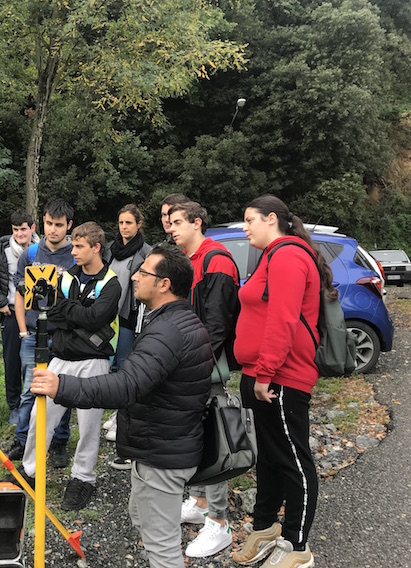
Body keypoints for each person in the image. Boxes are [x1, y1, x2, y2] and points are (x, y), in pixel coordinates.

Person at [31, 245, 212, 568]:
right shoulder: (177, 321)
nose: (135, 277)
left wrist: (62, 386)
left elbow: (127, 386)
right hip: (161, 445)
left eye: (144, 273)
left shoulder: (167, 332)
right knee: (142, 519)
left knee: (162, 547)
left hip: (162, 453)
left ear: (164, 284)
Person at [230, 195, 325, 568]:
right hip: (259, 374)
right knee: (269, 457)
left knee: (294, 461)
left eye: (249, 220)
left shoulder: (288, 256)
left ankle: (297, 546)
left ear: (272, 219)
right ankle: (265, 528)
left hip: (281, 377)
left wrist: (265, 372)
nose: (245, 228)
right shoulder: (270, 257)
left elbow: (283, 319)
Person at [15, 222, 120, 510]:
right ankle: (30, 470)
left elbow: (96, 318)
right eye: (73, 246)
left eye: (79, 247)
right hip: (60, 358)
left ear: (96, 248)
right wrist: (79, 314)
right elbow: (48, 311)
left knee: (88, 426)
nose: (73, 251)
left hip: (94, 362)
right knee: (40, 416)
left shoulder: (111, 282)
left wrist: (67, 311)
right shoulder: (67, 276)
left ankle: (83, 478)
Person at [168, 200, 240, 558]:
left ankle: (219, 522)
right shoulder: (190, 260)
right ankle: (199, 502)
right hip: (192, 362)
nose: (171, 229)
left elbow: (217, 323)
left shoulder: (217, 260)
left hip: (204, 367)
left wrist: (197, 363)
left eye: (178, 222)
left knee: (213, 438)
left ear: (197, 223)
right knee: (197, 436)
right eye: (170, 222)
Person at [4, 198, 76, 467]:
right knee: (28, 390)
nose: (53, 229)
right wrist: (23, 331)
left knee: (62, 390)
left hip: (63, 335)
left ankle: (58, 442)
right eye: (48, 223)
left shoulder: (75, 255)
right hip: (34, 334)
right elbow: (19, 293)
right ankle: (22, 440)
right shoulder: (31, 254)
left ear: (69, 225)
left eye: (59, 225)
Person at [100, 204, 151, 466]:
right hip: (108, 315)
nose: (124, 227)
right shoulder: (110, 249)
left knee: (125, 367)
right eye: (121, 223)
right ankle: (117, 413)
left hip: (129, 316)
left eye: (129, 223)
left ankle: (124, 418)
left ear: (138, 224)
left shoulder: (146, 252)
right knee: (109, 366)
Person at [0, 209, 40, 425]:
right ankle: (15, 406)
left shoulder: (42, 250)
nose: (19, 234)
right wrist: (0, 302)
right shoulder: (2, 250)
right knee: (12, 361)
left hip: (36, 313)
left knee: (37, 360)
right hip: (10, 313)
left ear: (32, 228)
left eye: (23, 229)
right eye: (15, 229)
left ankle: (37, 401)